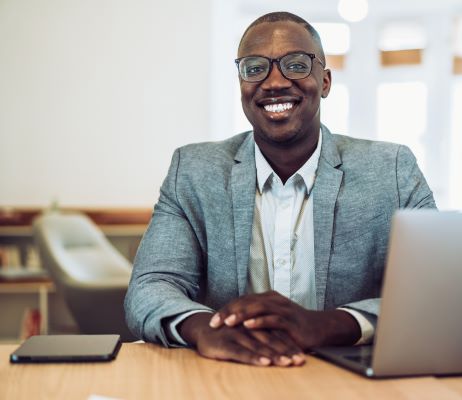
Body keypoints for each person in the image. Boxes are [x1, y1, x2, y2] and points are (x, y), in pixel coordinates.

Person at [124, 11, 436, 368]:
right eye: (255, 68)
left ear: (326, 82)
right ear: (240, 83)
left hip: (347, 380)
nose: (273, 82)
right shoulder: (193, 171)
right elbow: (150, 286)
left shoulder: (391, 169)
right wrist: (206, 329)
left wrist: (331, 324)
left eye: (296, 64)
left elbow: (433, 291)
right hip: (229, 376)